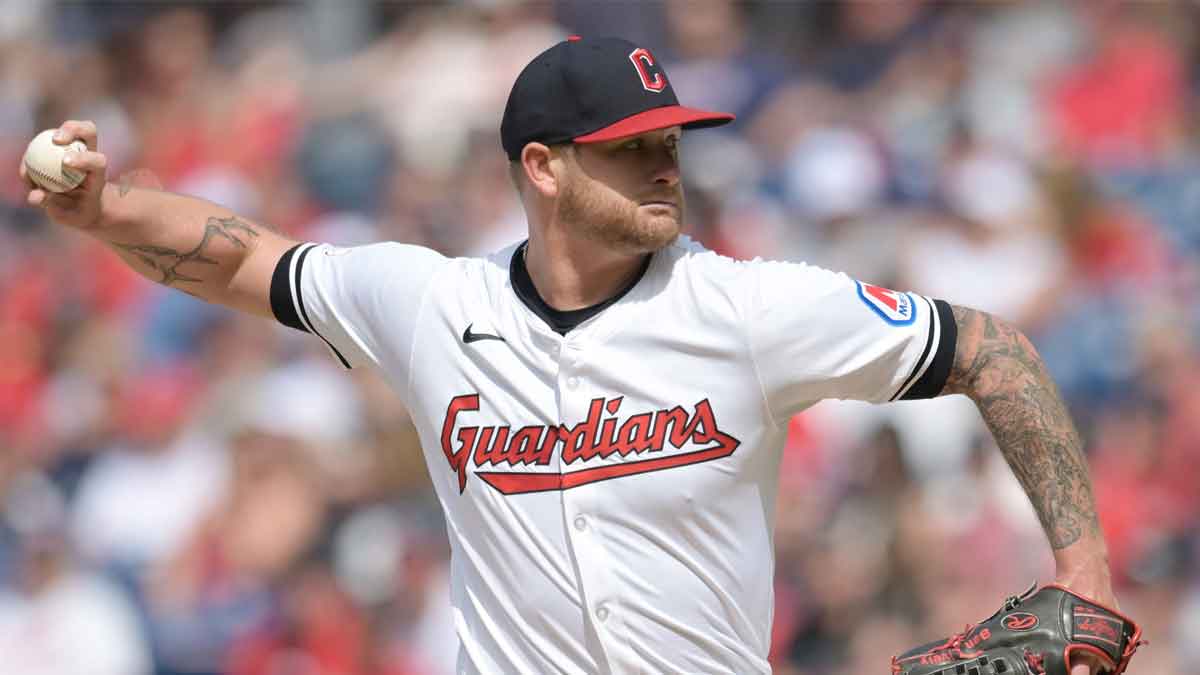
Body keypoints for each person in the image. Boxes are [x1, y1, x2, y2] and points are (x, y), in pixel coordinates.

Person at [22, 35, 1120, 675]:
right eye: (630, 150)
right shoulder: (429, 305)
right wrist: (106, 209)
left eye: (669, 143)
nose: (665, 167)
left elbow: (990, 347)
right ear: (541, 169)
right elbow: (240, 258)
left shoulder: (744, 307)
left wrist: (1084, 572)